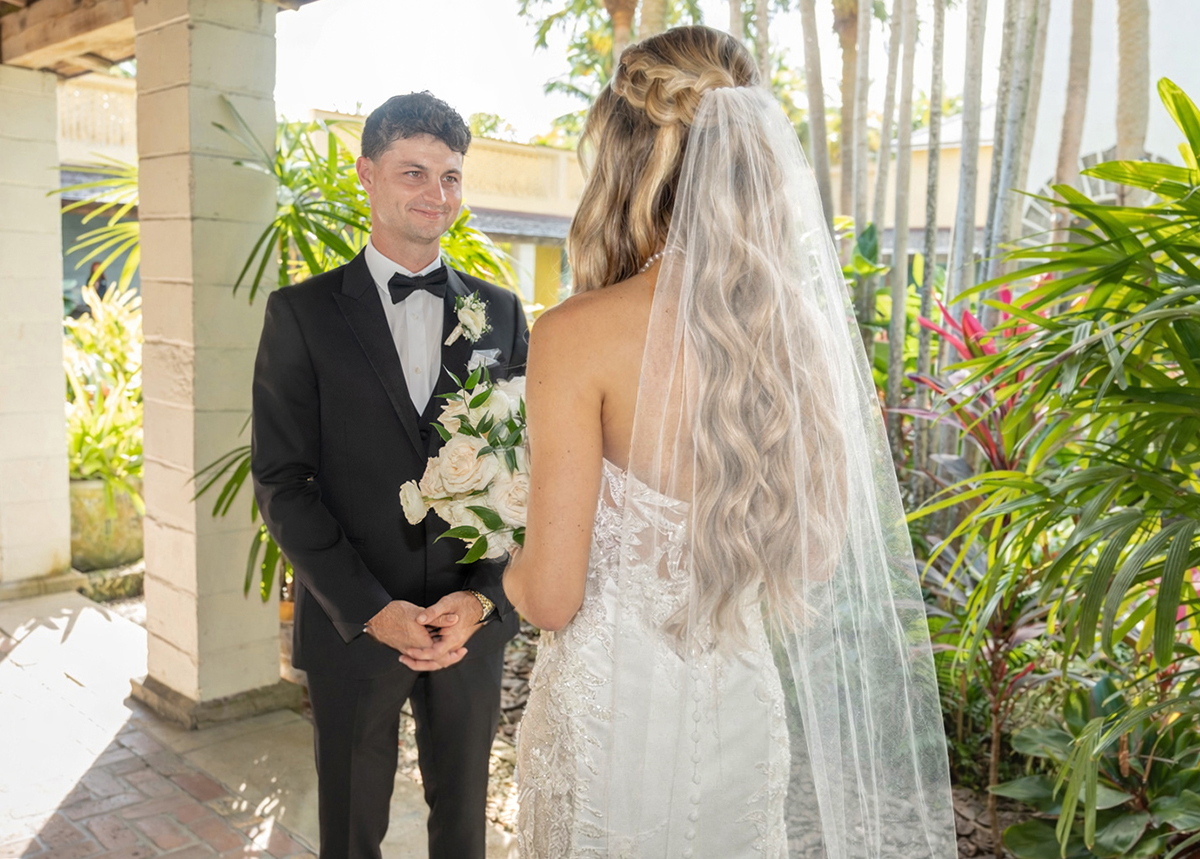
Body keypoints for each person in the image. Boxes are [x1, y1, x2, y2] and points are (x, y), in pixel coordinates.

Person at [503, 26, 957, 858]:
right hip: (741, 717)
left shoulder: (577, 334)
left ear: (629, 164)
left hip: (612, 721)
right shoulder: (801, 337)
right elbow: (816, 557)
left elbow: (552, 597)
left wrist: (511, 551)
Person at [250, 92, 528, 859]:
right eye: (414, 172)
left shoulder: (501, 314)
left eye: (450, 176)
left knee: (464, 828)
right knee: (348, 831)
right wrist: (374, 609)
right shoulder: (300, 313)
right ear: (367, 173)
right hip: (354, 624)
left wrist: (481, 599)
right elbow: (281, 479)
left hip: (469, 624)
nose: (436, 194)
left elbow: (523, 472)